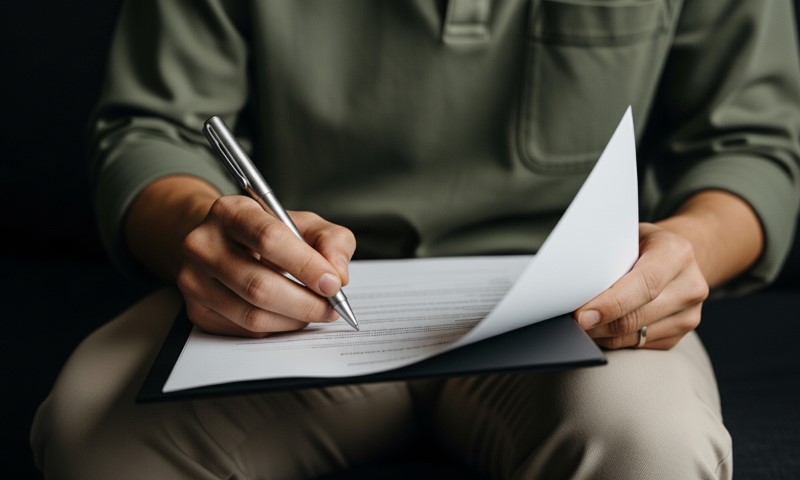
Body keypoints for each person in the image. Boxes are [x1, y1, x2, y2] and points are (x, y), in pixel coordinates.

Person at [31, 1, 800, 478]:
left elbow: (750, 146)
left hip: (574, 305)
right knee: (92, 431)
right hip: (310, 298)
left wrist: (688, 246)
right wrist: (202, 227)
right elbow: (152, 128)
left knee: (650, 450)